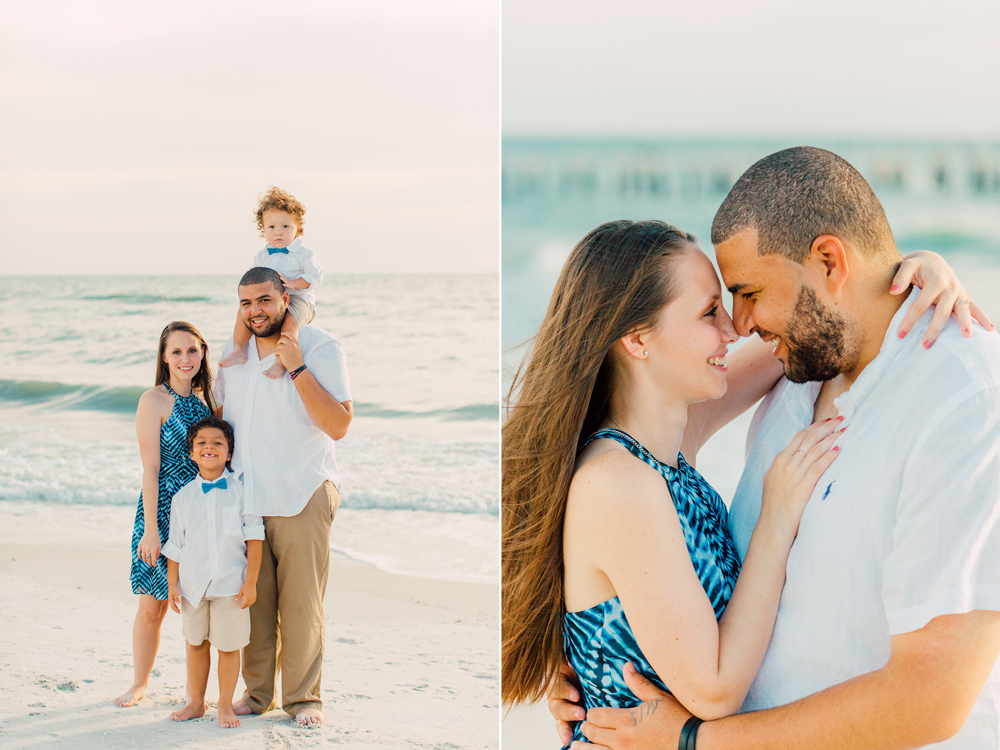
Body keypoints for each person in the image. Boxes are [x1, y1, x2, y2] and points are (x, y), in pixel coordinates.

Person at [556, 147, 1000, 750]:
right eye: (717, 305)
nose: (739, 325)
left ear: (827, 263)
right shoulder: (797, 365)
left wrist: (692, 741)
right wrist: (582, 654)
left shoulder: (966, 400)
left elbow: (935, 695)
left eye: (746, 293)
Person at [214, 266, 352, 727]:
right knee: (252, 604)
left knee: (301, 604)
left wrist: (296, 368)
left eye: (264, 301)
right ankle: (256, 697)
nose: (255, 311)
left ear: (285, 299)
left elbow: (338, 424)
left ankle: (302, 699)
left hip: (302, 489)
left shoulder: (319, 345)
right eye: (246, 303)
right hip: (247, 500)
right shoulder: (234, 361)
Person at [115, 321, 215, 707]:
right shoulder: (153, 400)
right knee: (152, 605)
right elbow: (151, 470)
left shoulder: (211, 399)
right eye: (176, 351)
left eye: (192, 350)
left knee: (199, 604)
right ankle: (140, 683)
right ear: (164, 357)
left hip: (203, 512)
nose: (185, 358)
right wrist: (152, 532)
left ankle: (196, 694)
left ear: (203, 353)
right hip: (162, 510)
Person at [163, 415, 264, 728]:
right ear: (192, 453)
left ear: (229, 453)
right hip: (193, 586)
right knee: (195, 643)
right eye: (201, 443)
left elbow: (254, 536)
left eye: (218, 443)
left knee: (229, 646)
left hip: (231, 586)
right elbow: (176, 545)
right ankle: (195, 702)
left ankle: (224, 705)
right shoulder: (182, 498)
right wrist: (172, 584)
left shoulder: (243, 492)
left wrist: (251, 582)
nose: (209, 447)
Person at [218, 186, 324, 380]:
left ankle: (281, 361)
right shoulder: (262, 256)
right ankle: (239, 349)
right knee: (243, 313)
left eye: (286, 226)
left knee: (290, 322)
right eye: (272, 227)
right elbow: (255, 278)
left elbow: (315, 276)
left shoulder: (303, 254)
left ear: (297, 228)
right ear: (263, 230)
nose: (278, 232)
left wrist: (293, 283)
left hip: (299, 301)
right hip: (272, 302)